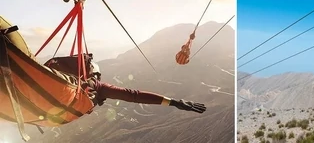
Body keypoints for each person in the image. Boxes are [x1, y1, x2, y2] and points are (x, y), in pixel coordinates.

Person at [45, 54, 206, 114]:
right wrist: (174, 102)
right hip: (59, 101)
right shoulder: (99, 88)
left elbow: (133, 95)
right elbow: (133, 95)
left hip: (46, 88)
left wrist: (174, 102)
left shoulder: (65, 73)